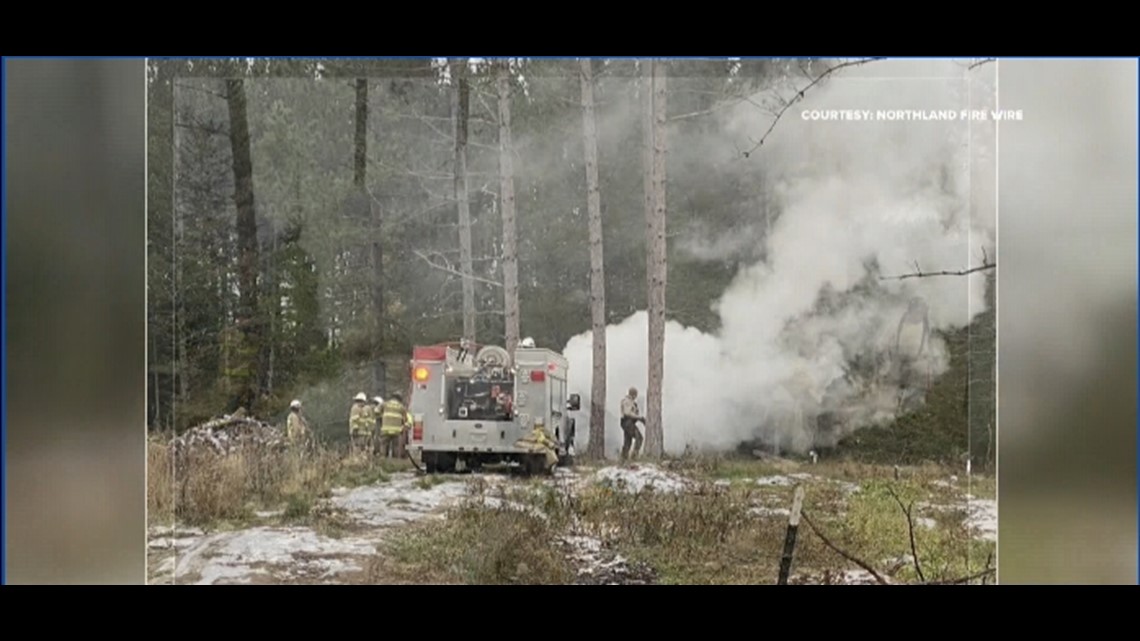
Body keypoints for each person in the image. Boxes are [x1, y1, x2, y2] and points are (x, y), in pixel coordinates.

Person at [378, 393, 410, 459]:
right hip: (397, 431)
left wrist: (382, 417)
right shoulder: (401, 407)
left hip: (385, 429)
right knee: (396, 446)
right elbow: (406, 419)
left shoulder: (384, 404)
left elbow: (376, 411)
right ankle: (394, 460)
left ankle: (383, 458)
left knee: (384, 445)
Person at [620, 387, 645, 461]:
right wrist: (639, 418)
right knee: (639, 437)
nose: (636, 397)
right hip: (628, 422)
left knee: (628, 441)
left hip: (626, 422)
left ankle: (624, 458)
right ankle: (634, 456)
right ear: (633, 394)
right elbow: (627, 413)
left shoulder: (629, 401)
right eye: (635, 395)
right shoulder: (627, 401)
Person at [349, 392, 374, 456]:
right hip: (361, 433)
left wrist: (355, 429)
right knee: (361, 449)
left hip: (361, 433)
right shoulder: (362, 408)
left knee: (359, 448)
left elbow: (355, 420)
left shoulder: (356, 408)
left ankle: (359, 459)